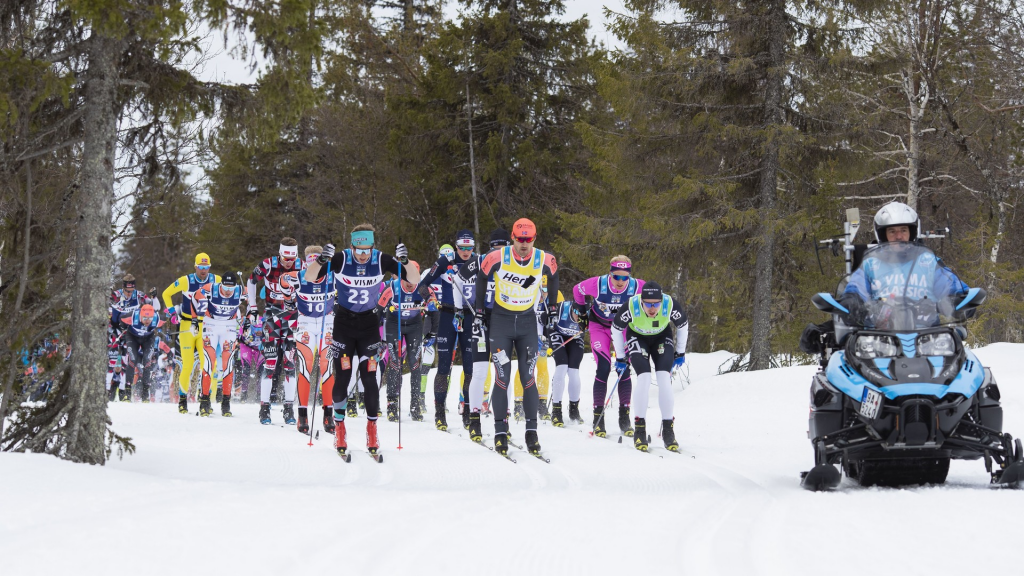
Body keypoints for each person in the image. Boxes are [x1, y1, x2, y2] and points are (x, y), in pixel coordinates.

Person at [304, 224, 419, 459]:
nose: (363, 255)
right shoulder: (341, 259)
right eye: (359, 250)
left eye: (367, 249)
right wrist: (323, 260)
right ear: (352, 246)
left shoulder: (381, 260)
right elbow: (310, 276)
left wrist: (405, 261)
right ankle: (339, 429)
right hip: (344, 326)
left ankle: (372, 431)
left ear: (373, 247)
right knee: (343, 377)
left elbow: (414, 278)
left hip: (369, 326)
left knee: (370, 379)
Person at [474, 218, 559, 456]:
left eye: (528, 239)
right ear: (512, 237)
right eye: (520, 239)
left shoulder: (544, 258)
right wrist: (480, 311)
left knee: (528, 375)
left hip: (526, 323)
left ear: (534, 238)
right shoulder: (498, 256)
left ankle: (531, 431)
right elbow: (481, 278)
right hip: (500, 322)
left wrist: (552, 309)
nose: (524, 244)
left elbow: (553, 277)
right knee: (502, 376)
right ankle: (501, 432)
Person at [841, 202, 968, 313]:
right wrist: (850, 302)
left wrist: (958, 298)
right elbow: (856, 289)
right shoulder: (871, 265)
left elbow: (949, 285)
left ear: (911, 233)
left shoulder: (928, 262)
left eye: (903, 230)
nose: (899, 236)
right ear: (883, 235)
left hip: (927, 334)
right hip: (879, 335)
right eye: (892, 231)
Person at [573, 256, 645, 437]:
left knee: (624, 369)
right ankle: (599, 417)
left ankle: (624, 417)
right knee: (603, 367)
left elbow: (656, 297)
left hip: (623, 330)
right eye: (616, 277)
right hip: (600, 327)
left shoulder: (638, 286)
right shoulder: (597, 284)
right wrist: (581, 311)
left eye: (624, 278)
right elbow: (577, 290)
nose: (620, 282)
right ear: (610, 273)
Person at [611, 282, 688, 452]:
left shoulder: (670, 304)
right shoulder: (631, 306)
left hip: (662, 336)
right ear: (641, 301)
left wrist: (680, 352)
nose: (653, 308)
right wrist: (620, 356)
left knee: (664, 379)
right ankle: (640, 429)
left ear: (661, 301)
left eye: (656, 304)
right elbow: (616, 330)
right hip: (637, 337)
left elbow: (683, 325)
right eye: (648, 304)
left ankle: (668, 430)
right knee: (644, 378)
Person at [418, 231, 478, 430]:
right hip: (448, 316)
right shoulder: (445, 261)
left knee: (470, 369)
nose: (466, 252)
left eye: (470, 248)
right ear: (456, 246)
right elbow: (422, 285)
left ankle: (467, 412)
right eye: (462, 248)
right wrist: (430, 299)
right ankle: (440, 413)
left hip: (469, 317)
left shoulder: (478, 261)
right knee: (444, 367)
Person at [453, 229, 508, 439]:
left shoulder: (516, 262)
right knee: (479, 372)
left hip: (503, 322)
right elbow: (457, 280)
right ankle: (474, 420)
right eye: (495, 248)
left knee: (503, 372)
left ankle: (503, 420)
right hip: (481, 322)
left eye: (502, 248)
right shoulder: (482, 260)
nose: (498, 252)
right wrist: (459, 311)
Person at [247, 238, 305, 425]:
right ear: (280, 254)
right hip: (272, 317)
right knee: (270, 363)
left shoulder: (302, 266)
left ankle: (289, 408)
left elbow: (314, 286)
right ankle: (264, 408)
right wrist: (253, 307)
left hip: (292, 318)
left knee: (290, 363)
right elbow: (251, 281)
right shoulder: (268, 264)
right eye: (285, 259)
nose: (289, 263)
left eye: (292, 258)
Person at [163, 254, 221, 413]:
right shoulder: (185, 280)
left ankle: (205, 400)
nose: (203, 270)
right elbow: (166, 294)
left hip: (206, 325)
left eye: (206, 267)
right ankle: (182, 400)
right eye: (200, 267)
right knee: (187, 365)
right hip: (187, 325)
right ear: (195, 266)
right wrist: (172, 313)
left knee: (208, 365)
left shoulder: (216, 280)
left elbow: (228, 294)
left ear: (209, 266)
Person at [379, 261, 437, 422]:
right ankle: (392, 405)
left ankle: (415, 405)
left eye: (414, 279)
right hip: (394, 325)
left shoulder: (423, 288)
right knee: (396, 363)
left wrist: (432, 332)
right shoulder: (392, 288)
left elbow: (435, 312)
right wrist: (376, 337)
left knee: (415, 363)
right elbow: (378, 311)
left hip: (414, 326)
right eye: (407, 279)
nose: (411, 284)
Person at [295, 245, 338, 434]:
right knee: (306, 365)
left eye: (318, 262)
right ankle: (302, 414)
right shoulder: (298, 276)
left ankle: (328, 413)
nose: (315, 267)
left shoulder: (333, 275)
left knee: (327, 366)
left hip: (326, 322)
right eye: (311, 262)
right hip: (305, 323)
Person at [191, 272, 243, 417]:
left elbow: (252, 304)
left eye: (231, 289)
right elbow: (194, 298)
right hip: (211, 325)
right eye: (225, 288)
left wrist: (249, 320)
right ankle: (204, 401)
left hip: (229, 326)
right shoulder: (210, 288)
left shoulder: (240, 290)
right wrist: (195, 320)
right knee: (208, 363)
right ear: (220, 285)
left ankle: (226, 402)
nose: (227, 292)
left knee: (227, 364)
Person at [547, 294, 587, 427]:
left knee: (574, 371)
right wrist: (546, 337)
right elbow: (543, 319)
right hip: (557, 334)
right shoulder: (562, 308)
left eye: (583, 314)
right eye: (577, 312)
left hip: (575, 338)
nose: (579, 317)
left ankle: (574, 409)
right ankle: (556, 410)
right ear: (572, 308)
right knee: (562, 366)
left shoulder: (589, 314)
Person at [120, 304, 164, 403]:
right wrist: (123, 328)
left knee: (147, 361)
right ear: (140, 315)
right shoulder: (132, 316)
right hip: (133, 337)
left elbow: (169, 319)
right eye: (144, 318)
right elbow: (121, 319)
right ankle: (127, 393)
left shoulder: (157, 318)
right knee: (132, 360)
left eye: (150, 318)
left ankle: (145, 395)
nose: (147, 320)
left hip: (148, 339)